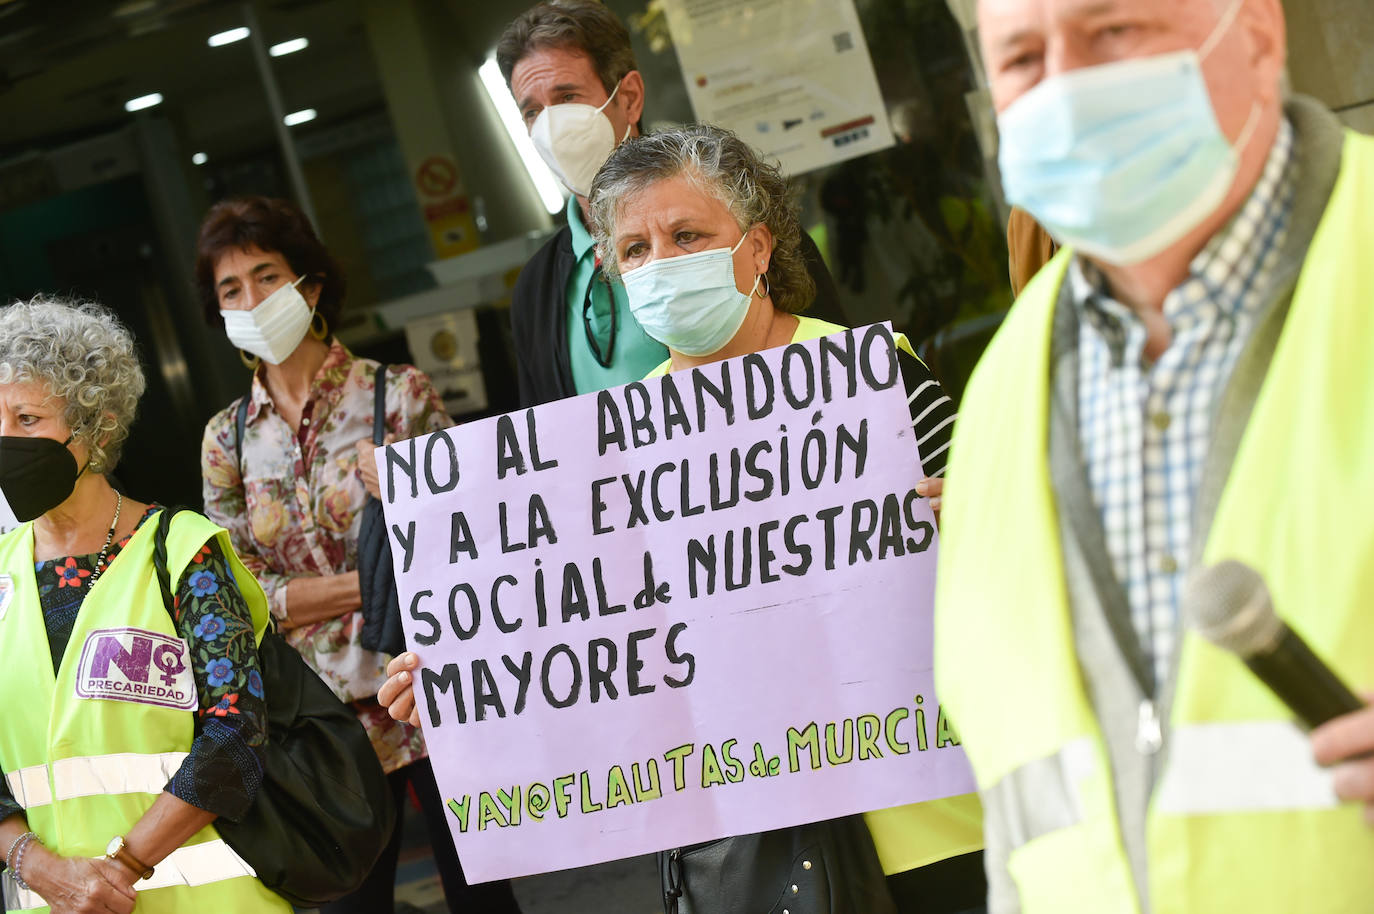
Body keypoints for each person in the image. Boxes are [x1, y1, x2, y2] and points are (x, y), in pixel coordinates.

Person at [382, 125, 985, 913]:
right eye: (634, 249)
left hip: (926, 824)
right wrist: (465, 682)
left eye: (687, 234)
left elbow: (1011, 568)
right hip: (745, 851)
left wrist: (974, 526)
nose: (661, 263)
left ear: (759, 247)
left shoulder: (876, 383)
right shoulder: (609, 449)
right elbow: (594, 648)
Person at [935, 0, 1374, 910]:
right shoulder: (1000, 397)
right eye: (1021, 57)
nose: (1068, 86)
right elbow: (1025, 826)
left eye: (1115, 32)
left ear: (1257, 32)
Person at [194, 196, 521, 914]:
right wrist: (369, 587)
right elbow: (242, 590)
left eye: (266, 275)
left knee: (484, 897)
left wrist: (409, 488)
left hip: (427, 690)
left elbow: (468, 542)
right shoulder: (228, 440)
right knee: (350, 904)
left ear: (309, 287)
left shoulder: (396, 396)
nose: (251, 299)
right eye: (231, 288)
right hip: (320, 722)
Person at [0, 297, 291, 914]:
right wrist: (42, 868)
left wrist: (120, 869)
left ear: (98, 426)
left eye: (27, 419)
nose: (6, 440)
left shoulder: (181, 553)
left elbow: (236, 734)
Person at [497, 0, 847, 408]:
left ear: (628, 97)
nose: (551, 127)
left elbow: (849, 375)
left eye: (568, 96)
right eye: (532, 111)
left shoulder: (745, 232)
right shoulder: (536, 290)